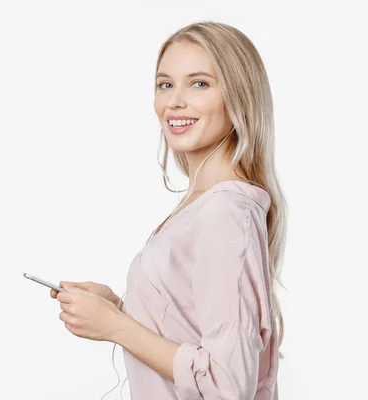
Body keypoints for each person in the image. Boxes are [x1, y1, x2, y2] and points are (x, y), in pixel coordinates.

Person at [50, 21, 286, 400]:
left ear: (240, 96)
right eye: (165, 84)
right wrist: (121, 309)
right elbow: (192, 332)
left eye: (200, 83)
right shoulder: (203, 205)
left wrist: (115, 326)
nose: (175, 101)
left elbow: (227, 386)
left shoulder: (225, 211)